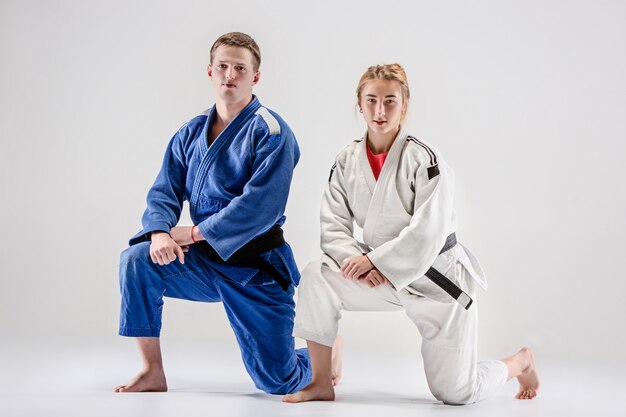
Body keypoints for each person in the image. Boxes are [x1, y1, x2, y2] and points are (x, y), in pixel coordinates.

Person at [283, 64, 540, 404]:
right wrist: (358, 263)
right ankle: (320, 380)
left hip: (437, 283)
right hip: (382, 278)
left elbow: (427, 233)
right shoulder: (346, 160)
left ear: (405, 104)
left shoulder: (425, 159)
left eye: (390, 100)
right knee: (317, 275)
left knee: (456, 393)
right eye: (371, 100)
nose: (380, 110)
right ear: (359, 104)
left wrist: (377, 262)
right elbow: (332, 224)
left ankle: (519, 362)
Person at [114, 32, 311, 394]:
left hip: (256, 266)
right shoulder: (190, 132)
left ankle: (324, 355)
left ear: (256, 77)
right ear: (210, 71)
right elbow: (164, 191)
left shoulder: (272, 131)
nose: (230, 75)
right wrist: (159, 231)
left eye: (240, 68)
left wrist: (190, 233)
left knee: (278, 381)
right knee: (137, 260)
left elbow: (259, 208)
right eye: (223, 66)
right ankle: (151, 370)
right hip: (204, 262)